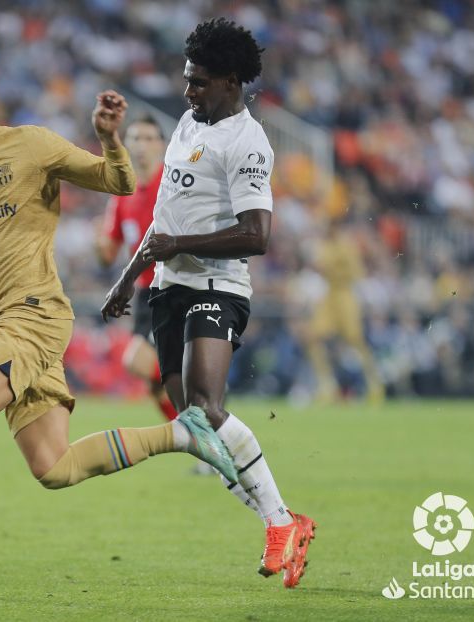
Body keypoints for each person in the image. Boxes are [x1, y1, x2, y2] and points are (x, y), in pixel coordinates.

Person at [0, 62, 239, 584]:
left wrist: (109, 138)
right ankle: (183, 435)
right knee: (54, 466)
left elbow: (120, 181)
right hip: (8, 322)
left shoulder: (32, 146)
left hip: (34, 314)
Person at [102, 18, 316, 588]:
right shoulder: (187, 127)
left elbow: (257, 235)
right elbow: (161, 220)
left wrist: (181, 246)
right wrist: (128, 279)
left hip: (219, 285)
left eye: (197, 81)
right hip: (167, 285)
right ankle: (285, 520)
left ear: (229, 81)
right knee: (196, 427)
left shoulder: (248, 142)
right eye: (186, 79)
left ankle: (276, 524)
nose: (188, 90)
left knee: (207, 404)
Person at [95, 115, 177, 421]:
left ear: (162, 145)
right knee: (156, 384)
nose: (141, 146)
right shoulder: (122, 195)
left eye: (148, 138)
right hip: (144, 294)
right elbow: (108, 253)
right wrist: (97, 242)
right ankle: (200, 440)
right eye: (135, 139)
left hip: (173, 287)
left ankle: (202, 396)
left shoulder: (172, 185)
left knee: (138, 362)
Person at [304, 218, 385, 403]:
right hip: (330, 294)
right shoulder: (325, 245)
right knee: (312, 337)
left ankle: (374, 385)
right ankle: (327, 386)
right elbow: (319, 267)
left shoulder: (346, 245)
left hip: (345, 294)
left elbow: (357, 272)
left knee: (356, 340)